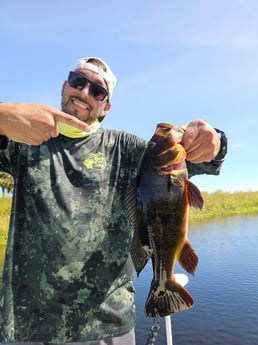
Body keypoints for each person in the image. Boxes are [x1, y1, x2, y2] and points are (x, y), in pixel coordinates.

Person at [0, 57, 227, 345]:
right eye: (78, 81)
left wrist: (214, 141)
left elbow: (194, 163)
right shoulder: (20, 137)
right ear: (64, 85)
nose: (84, 92)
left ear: (106, 107)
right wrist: (3, 115)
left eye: (97, 90)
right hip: (28, 323)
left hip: (108, 323)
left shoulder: (127, 149)